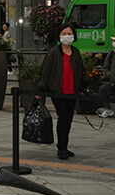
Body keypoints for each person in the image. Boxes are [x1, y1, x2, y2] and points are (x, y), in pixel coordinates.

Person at [38, 23, 91, 160]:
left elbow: (81, 71)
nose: (67, 36)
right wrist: (41, 89)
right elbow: (46, 71)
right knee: (63, 118)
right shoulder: (54, 53)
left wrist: (85, 86)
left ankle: (64, 146)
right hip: (58, 91)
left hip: (72, 91)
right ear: (59, 36)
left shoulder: (76, 52)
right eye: (64, 34)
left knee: (68, 119)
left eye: (69, 33)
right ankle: (61, 148)